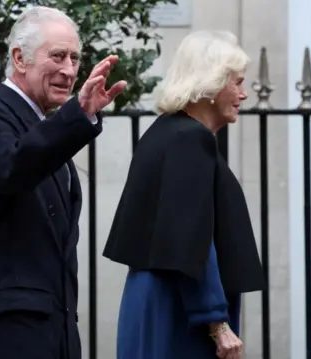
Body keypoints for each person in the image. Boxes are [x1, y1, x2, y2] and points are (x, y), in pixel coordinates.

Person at [0, 6, 126, 359]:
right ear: (20, 58)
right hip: (6, 340)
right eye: (58, 56)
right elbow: (13, 167)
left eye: (75, 58)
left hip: (46, 336)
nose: (69, 70)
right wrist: (78, 115)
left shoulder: (34, 122)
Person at [102, 30, 266, 359]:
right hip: (179, 312)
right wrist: (216, 322)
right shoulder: (190, 139)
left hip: (161, 301)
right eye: (237, 82)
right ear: (212, 83)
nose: (244, 94)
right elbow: (190, 236)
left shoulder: (166, 132)